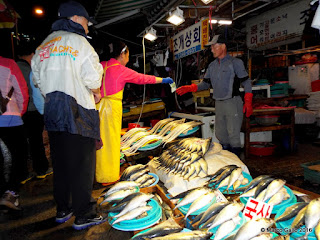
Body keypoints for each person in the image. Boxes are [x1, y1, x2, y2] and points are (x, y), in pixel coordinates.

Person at [31, 1, 105, 230]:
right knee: (83, 165)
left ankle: (63, 209)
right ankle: (84, 214)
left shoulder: (43, 46)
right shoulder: (79, 43)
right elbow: (93, 79)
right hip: (78, 111)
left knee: (61, 165)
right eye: (85, 21)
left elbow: (38, 81)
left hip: (53, 112)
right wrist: (96, 93)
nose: (87, 27)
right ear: (74, 19)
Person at [96, 41, 173, 185]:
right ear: (122, 54)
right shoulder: (120, 70)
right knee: (111, 141)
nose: (128, 59)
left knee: (99, 141)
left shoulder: (101, 65)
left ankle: (99, 173)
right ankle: (108, 177)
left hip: (96, 106)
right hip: (112, 108)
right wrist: (163, 80)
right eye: (128, 55)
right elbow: (143, 78)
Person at [176, 35, 253, 157]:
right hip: (219, 103)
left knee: (233, 134)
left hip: (232, 102)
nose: (211, 49)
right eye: (211, 47)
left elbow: (246, 82)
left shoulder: (235, 63)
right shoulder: (211, 66)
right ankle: (227, 160)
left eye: (214, 46)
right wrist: (191, 87)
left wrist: (248, 101)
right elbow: (205, 84)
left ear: (223, 46)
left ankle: (237, 164)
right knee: (221, 134)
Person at [16, 43, 52, 182]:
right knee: (36, 141)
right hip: (32, 110)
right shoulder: (30, 70)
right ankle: (41, 169)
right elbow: (36, 93)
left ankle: (22, 174)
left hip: (16, 113)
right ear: (31, 54)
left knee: (21, 145)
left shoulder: (13, 67)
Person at [0, 56, 29, 213]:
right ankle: (10, 193)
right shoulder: (8, 64)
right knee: (19, 156)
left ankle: (3, 193)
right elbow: (22, 91)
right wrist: (20, 111)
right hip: (10, 118)